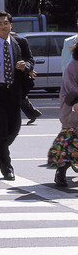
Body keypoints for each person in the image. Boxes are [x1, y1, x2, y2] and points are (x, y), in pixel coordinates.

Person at [0, 11, 35, 182]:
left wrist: (26, 65)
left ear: (11, 25)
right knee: (1, 132)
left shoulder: (21, 42)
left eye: (6, 23)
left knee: (14, 129)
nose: (3, 26)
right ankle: (7, 168)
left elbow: (31, 60)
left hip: (15, 91)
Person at [48, 50, 78, 188]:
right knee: (70, 142)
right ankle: (61, 171)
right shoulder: (73, 66)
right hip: (73, 110)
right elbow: (69, 86)